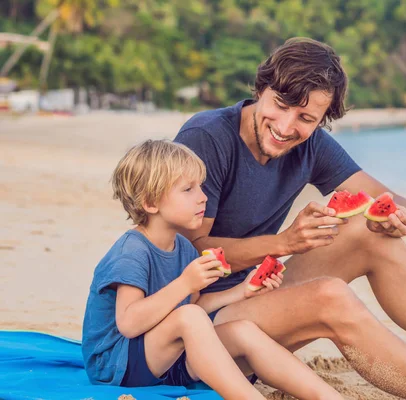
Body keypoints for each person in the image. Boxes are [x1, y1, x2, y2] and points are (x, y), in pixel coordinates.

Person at [174, 38, 406, 399]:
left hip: (253, 301)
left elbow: (389, 198)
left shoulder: (310, 145)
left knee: (371, 235)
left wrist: (402, 217)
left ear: (322, 120)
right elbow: (191, 250)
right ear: (262, 88)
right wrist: (284, 243)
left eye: (306, 118)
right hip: (194, 330)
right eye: (281, 104)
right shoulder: (208, 137)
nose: (287, 127)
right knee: (330, 296)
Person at [81, 139, 343, 400]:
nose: (203, 197)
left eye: (201, 187)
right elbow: (128, 323)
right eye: (188, 189)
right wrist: (185, 283)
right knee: (189, 317)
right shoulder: (133, 250)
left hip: (165, 361)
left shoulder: (182, 247)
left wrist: (243, 290)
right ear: (150, 202)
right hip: (116, 365)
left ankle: (328, 397)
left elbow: (197, 303)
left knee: (243, 330)